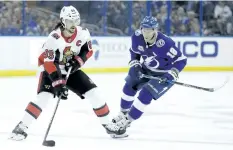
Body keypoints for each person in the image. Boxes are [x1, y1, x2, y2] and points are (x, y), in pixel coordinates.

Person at [9, 5, 127, 141]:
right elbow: (48, 62)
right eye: (71, 21)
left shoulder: (83, 33)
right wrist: (58, 84)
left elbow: (88, 51)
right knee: (44, 97)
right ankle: (21, 126)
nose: (74, 24)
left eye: (76, 21)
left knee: (95, 93)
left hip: (71, 70)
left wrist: (78, 61)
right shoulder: (54, 38)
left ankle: (108, 125)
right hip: (51, 70)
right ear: (63, 21)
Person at [112, 16, 187, 132]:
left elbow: (181, 60)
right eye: (144, 29)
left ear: (155, 30)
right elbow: (134, 52)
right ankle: (122, 114)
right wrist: (135, 64)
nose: (145, 33)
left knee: (145, 94)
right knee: (129, 87)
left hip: (164, 74)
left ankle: (127, 121)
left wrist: (172, 74)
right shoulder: (137, 37)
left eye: (149, 30)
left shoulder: (166, 43)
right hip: (146, 68)